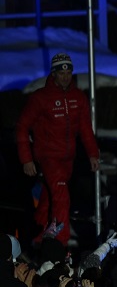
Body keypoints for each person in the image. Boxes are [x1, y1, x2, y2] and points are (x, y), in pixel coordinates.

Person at [16, 53, 100, 246]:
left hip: (68, 158)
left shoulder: (78, 97)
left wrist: (93, 153)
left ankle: (37, 234)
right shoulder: (41, 98)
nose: (65, 76)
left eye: (68, 72)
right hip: (48, 157)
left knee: (49, 198)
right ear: (53, 73)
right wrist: (26, 159)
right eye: (61, 72)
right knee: (61, 197)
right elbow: (22, 126)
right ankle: (60, 244)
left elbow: (86, 128)